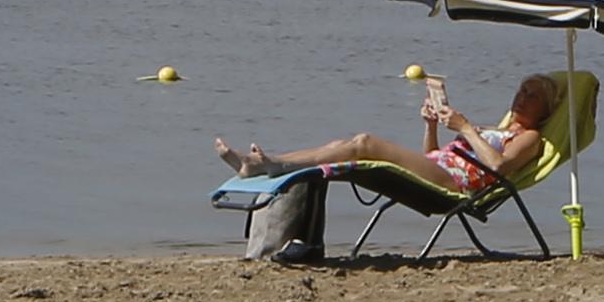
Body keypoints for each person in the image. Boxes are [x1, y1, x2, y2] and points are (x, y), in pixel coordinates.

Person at [220, 70, 561, 195]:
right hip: (440, 169)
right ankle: (263, 163)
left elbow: (499, 167)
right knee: (345, 145)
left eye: (532, 94)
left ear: (546, 110)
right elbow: (433, 155)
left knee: (364, 143)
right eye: (521, 89)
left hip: (453, 184)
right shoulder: (494, 129)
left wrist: (466, 128)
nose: (521, 96)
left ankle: (272, 164)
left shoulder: (530, 139)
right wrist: (431, 126)